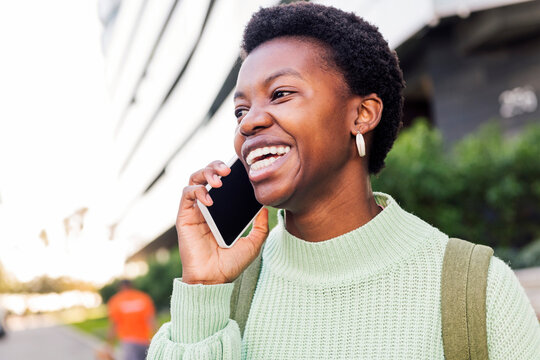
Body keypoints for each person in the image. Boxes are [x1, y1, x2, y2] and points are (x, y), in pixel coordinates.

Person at [148, 2, 540, 359]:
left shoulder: (477, 291)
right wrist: (202, 291)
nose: (248, 123)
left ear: (362, 115)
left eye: (281, 93)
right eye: (241, 110)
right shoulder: (226, 291)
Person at [106, 279, 156, 360]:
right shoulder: (143, 297)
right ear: (132, 286)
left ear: (120, 287)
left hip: (128, 341)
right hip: (145, 339)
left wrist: (109, 344)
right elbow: (151, 320)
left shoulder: (116, 300)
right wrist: (157, 338)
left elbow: (114, 324)